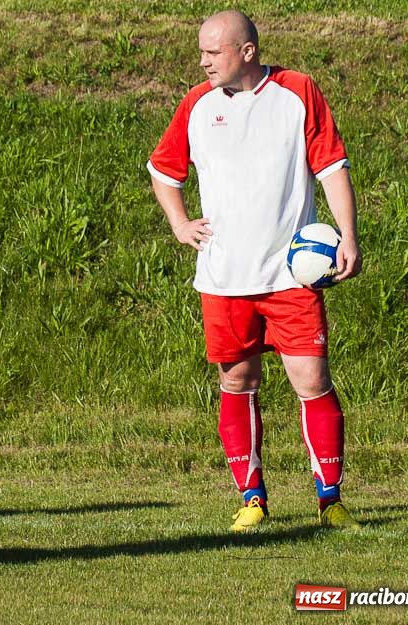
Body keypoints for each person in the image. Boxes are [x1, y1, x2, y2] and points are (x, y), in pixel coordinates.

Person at [146, 11, 362, 532]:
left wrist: (348, 236)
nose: (202, 62)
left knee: (311, 379)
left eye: (212, 53)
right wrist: (179, 223)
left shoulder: (297, 91)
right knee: (237, 380)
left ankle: (329, 498)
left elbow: (331, 166)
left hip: (292, 276)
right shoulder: (196, 104)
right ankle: (252, 497)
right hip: (223, 278)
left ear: (246, 52)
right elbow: (162, 170)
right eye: (202, 52)